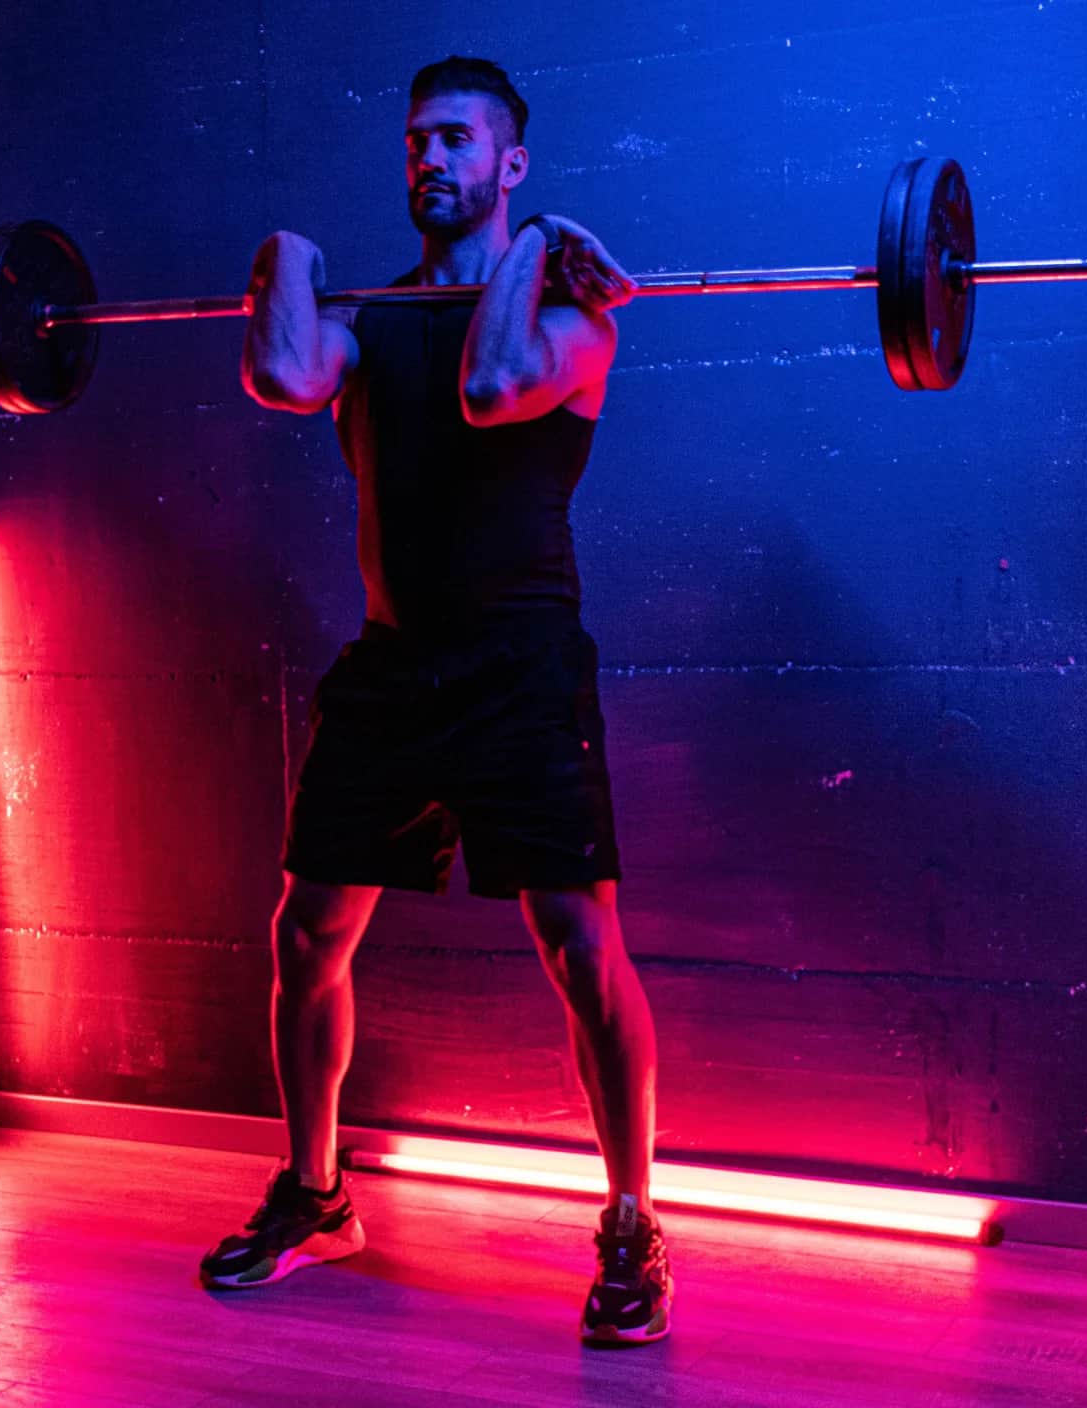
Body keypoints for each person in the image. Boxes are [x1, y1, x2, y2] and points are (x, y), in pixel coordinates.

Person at [199, 54, 670, 1347]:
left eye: (457, 140)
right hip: (393, 668)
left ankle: (632, 1226)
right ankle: (318, 1192)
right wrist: (286, 254)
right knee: (307, 937)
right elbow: (290, 376)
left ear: (511, 165)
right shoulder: (378, 321)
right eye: (416, 141)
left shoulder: (579, 322)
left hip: (521, 670)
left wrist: (538, 257)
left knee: (582, 952)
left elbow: (489, 386)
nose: (430, 160)